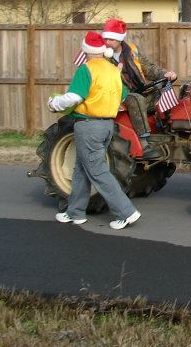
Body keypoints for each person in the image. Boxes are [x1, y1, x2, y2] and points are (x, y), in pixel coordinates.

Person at [47, 31, 140, 230]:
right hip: (107, 125)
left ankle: (126, 212)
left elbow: (74, 98)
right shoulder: (113, 70)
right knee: (81, 168)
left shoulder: (86, 70)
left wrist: (54, 103)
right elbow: (123, 96)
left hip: (89, 125)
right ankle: (75, 212)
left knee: (97, 171)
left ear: (86, 49)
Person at [100, 18, 177, 160]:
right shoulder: (102, 56)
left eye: (111, 39)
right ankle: (145, 142)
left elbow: (149, 68)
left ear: (119, 39)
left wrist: (165, 74)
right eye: (106, 39)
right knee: (136, 99)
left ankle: (166, 132)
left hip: (137, 90)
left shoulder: (132, 51)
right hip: (115, 95)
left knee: (160, 93)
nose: (107, 42)